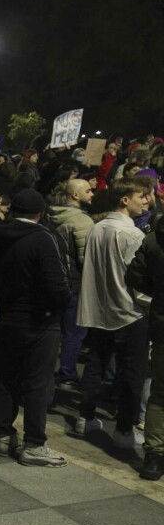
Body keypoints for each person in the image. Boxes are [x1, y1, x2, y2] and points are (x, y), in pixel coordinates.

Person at [0, 188, 71, 466]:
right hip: (40, 321)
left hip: (8, 317)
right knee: (36, 382)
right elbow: (56, 284)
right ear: (40, 213)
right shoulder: (43, 239)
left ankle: (4, 435)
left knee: (5, 380)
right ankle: (34, 443)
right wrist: (61, 304)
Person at [75, 178, 151, 448]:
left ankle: (86, 416)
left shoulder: (97, 228)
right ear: (124, 200)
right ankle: (124, 431)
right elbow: (138, 279)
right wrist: (148, 303)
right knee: (132, 373)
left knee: (95, 364)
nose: (147, 201)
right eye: (142, 196)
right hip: (129, 313)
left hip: (99, 310)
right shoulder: (132, 235)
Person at [125, 214, 164, 480]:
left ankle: (154, 457)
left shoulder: (153, 239)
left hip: (162, 324)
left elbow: (135, 276)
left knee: (160, 394)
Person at [47, 179, 95, 390]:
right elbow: (88, 259)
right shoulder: (82, 222)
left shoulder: (52, 215)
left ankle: (46, 371)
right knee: (74, 333)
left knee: (53, 331)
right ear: (75, 195)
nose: (92, 193)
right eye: (88, 190)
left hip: (56, 280)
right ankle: (67, 373)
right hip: (75, 283)